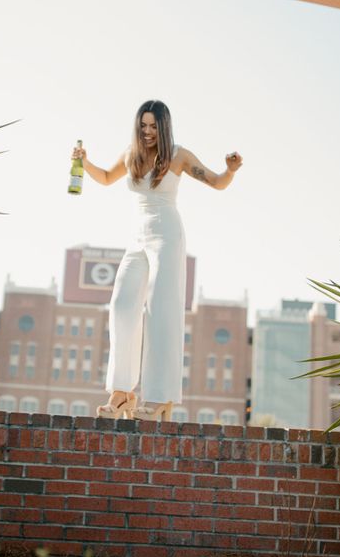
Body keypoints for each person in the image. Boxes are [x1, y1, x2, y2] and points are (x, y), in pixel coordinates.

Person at [71, 100, 242, 423]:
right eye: (143, 126)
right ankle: (122, 393)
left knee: (162, 311)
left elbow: (217, 182)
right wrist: (85, 161)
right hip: (137, 240)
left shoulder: (178, 156)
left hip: (167, 235)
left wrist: (230, 170)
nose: (147, 132)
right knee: (121, 307)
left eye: (153, 126)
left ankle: (160, 396)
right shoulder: (131, 154)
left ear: (163, 127)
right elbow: (107, 177)